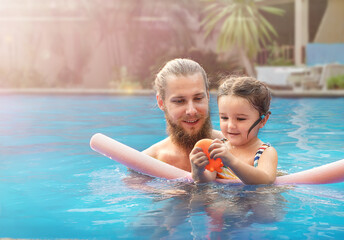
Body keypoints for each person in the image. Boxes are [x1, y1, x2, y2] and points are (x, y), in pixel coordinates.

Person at [190, 76, 278, 185]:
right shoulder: (218, 148)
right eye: (224, 118)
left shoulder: (265, 152)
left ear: (263, 120)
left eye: (241, 119)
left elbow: (266, 179)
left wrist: (231, 161)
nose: (231, 126)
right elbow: (208, 180)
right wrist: (198, 172)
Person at [143, 58, 223, 172]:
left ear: (208, 97)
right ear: (161, 102)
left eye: (198, 98)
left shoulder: (238, 149)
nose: (191, 111)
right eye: (179, 101)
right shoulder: (147, 163)